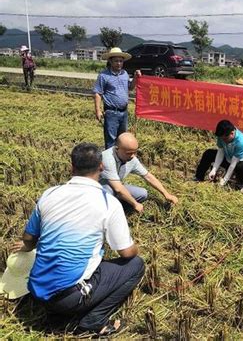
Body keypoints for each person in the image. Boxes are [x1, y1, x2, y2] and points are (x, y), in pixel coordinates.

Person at [11, 143, 144, 336]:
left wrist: (27, 247)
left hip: (36, 290)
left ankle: (58, 312)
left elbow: (29, 238)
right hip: (69, 298)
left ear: (72, 167)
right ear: (101, 167)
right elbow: (125, 252)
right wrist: (135, 247)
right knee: (136, 265)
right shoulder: (108, 203)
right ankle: (93, 320)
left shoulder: (49, 194)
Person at [100, 132, 178, 213]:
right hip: (99, 188)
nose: (133, 156)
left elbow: (148, 176)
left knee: (142, 194)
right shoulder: (107, 159)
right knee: (108, 193)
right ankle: (107, 213)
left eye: (135, 152)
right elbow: (118, 189)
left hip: (117, 186)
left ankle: (120, 207)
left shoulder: (131, 159)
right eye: (129, 153)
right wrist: (135, 204)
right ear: (117, 149)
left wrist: (166, 194)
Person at [93, 47, 141, 149]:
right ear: (110, 61)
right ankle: (110, 162)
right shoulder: (103, 75)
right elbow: (98, 93)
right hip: (111, 112)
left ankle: (120, 160)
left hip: (124, 112)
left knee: (122, 138)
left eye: (121, 61)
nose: (119, 63)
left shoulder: (125, 74)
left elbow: (130, 87)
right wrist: (98, 110)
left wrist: (136, 78)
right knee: (111, 140)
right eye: (116, 61)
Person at [194, 119, 243, 192]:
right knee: (208, 153)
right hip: (228, 158)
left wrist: (224, 180)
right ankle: (198, 178)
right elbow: (220, 152)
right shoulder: (222, 136)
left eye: (225, 139)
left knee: (242, 168)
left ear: (232, 133)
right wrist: (214, 170)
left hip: (242, 162)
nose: (223, 140)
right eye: (221, 138)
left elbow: (233, 164)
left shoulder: (241, 141)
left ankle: (241, 184)